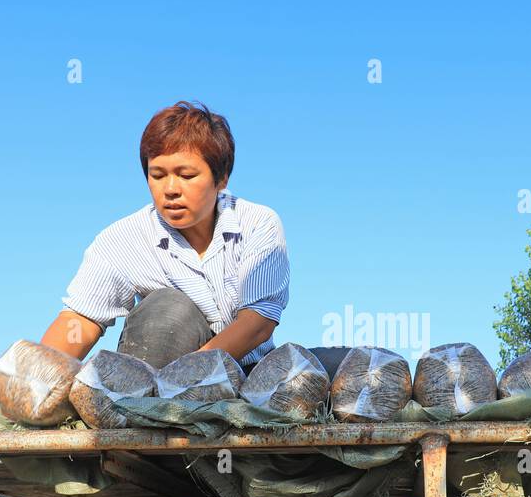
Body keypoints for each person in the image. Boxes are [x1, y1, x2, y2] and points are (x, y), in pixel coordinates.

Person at [39, 101, 348, 377]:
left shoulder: (257, 223)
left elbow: (258, 322)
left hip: (252, 373)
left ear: (222, 177)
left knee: (356, 367)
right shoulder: (121, 239)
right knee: (168, 309)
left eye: (186, 176)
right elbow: (81, 318)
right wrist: (38, 378)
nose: (171, 189)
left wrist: (192, 376)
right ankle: (151, 416)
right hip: (159, 376)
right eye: (157, 175)